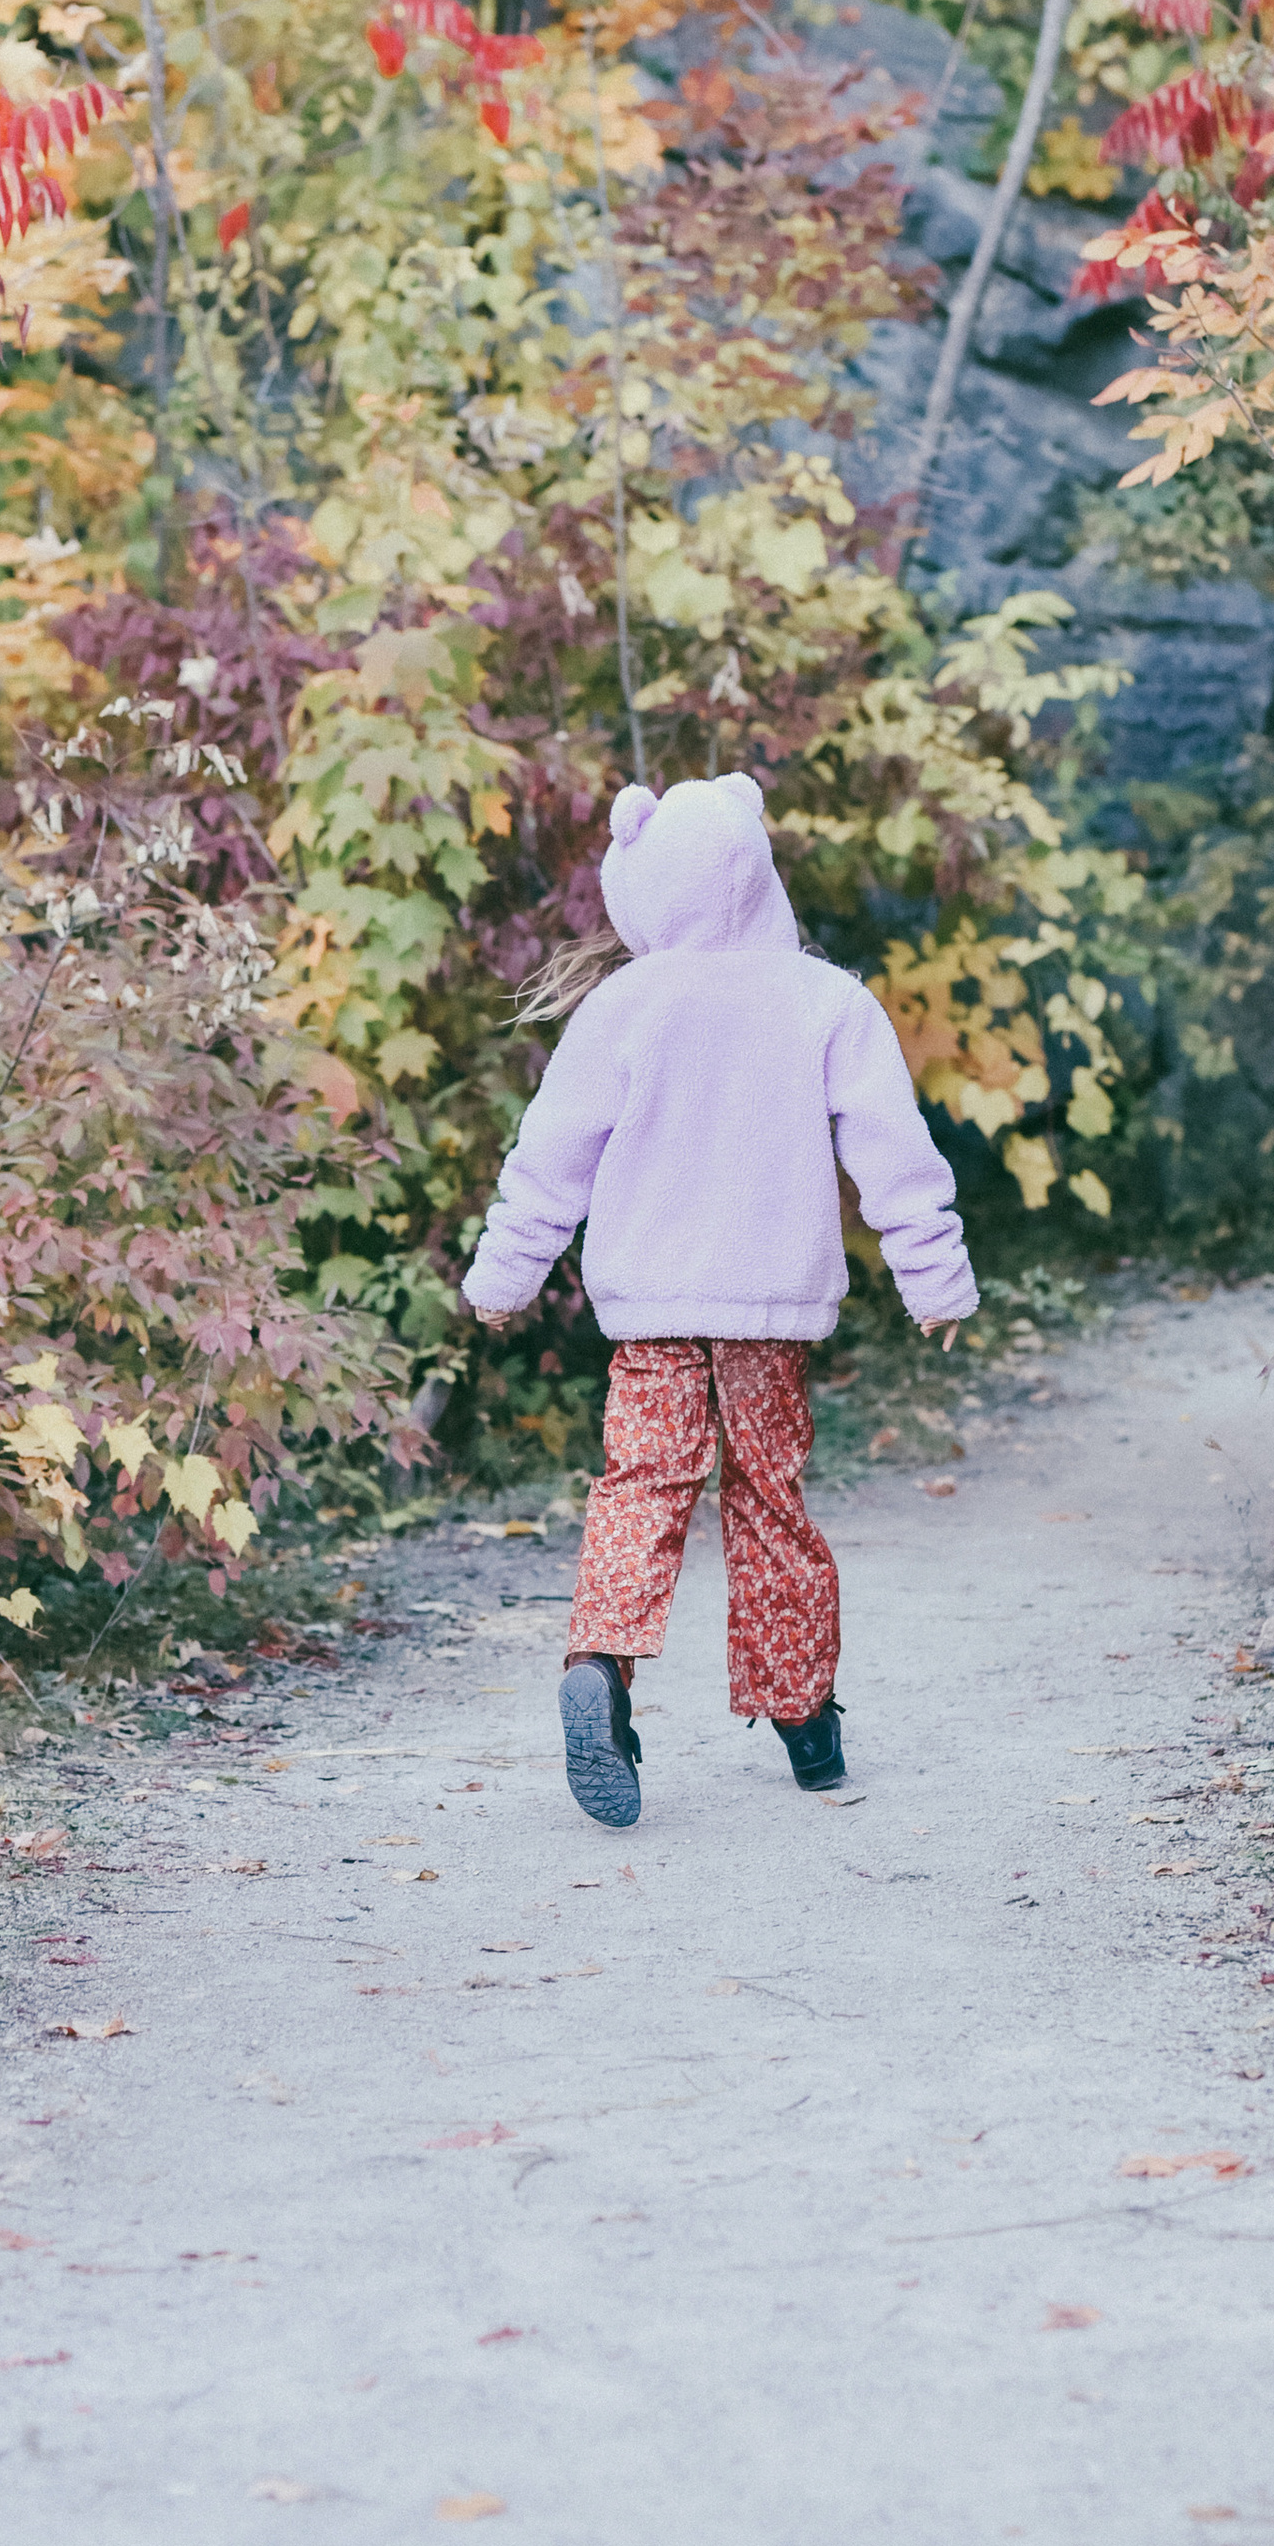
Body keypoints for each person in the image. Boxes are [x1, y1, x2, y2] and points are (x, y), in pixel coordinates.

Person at [461, 772, 978, 1828]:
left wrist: (502, 1278)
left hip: (648, 1311)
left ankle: (600, 1666)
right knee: (767, 1498)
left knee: (640, 1488)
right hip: (768, 1311)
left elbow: (549, 1159)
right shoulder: (825, 998)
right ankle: (806, 1722)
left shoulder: (622, 1005)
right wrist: (933, 1277)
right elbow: (892, 1152)